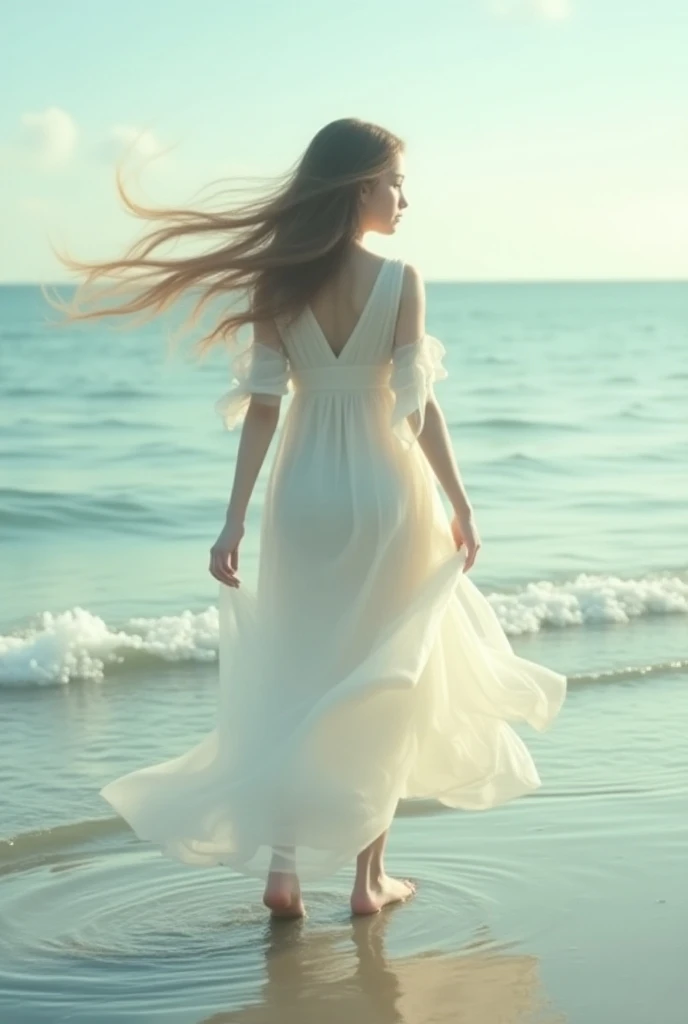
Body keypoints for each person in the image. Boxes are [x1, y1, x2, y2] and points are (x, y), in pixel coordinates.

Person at [58, 118, 566, 920]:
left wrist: (231, 523)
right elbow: (416, 408)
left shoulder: (278, 281)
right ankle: (368, 883)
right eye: (397, 180)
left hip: (300, 497)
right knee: (385, 677)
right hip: (384, 486)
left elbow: (263, 409)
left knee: (301, 673)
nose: (405, 197)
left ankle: (285, 872)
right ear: (361, 184)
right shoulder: (401, 279)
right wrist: (462, 503)